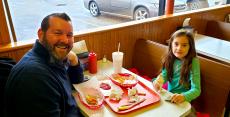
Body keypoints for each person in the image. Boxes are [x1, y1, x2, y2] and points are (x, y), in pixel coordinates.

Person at [4, 13, 84, 117]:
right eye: (58, 33)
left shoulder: (52, 56)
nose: (65, 40)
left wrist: (74, 59)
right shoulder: (35, 76)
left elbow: (76, 81)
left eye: (69, 35)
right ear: (41, 34)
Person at [153, 29, 201, 104]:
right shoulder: (169, 58)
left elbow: (196, 89)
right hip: (169, 97)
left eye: (184, 45)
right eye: (176, 44)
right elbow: (164, 76)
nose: (179, 48)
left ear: (190, 47)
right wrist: (158, 82)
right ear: (171, 44)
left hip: (183, 101)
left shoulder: (193, 62)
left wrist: (183, 96)